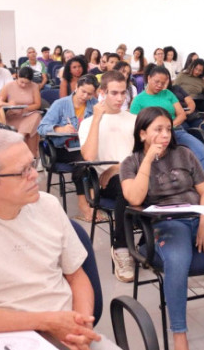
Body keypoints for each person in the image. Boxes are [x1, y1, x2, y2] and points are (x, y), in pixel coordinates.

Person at [0, 129, 119, 350]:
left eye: (32, 164)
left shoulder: (47, 205)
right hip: (3, 339)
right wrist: (45, 322)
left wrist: (81, 330)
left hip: (67, 334)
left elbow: (76, 277)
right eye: (22, 171)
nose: (34, 175)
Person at [119, 107, 204, 350]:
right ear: (142, 134)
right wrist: (147, 159)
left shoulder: (184, 154)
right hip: (166, 223)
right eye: (158, 130)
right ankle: (179, 333)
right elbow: (135, 198)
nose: (165, 135)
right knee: (177, 260)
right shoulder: (130, 163)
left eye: (168, 129)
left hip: (199, 216)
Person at [78, 70, 136, 282]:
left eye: (123, 93)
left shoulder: (134, 119)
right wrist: (96, 119)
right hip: (106, 182)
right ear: (102, 93)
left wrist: (118, 166)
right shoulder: (88, 123)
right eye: (114, 93)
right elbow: (88, 156)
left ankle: (146, 244)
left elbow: (143, 155)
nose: (120, 98)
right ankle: (121, 248)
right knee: (125, 186)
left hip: (133, 173)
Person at [39, 74, 100, 221]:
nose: (85, 96)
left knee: (93, 159)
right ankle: (84, 204)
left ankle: (93, 202)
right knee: (84, 161)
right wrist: (59, 129)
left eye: (89, 94)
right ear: (76, 87)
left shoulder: (94, 105)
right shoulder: (60, 104)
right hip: (61, 149)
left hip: (82, 147)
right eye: (83, 91)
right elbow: (41, 128)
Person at [129, 65, 204, 167]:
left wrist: (168, 128)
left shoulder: (168, 93)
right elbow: (135, 125)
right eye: (157, 82)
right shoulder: (138, 100)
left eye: (163, 83)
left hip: (176, 131)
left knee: (201, 151)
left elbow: (181, 115)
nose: (159, 85)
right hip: (154, 136)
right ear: (149, 78)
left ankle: (202, 176)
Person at [0, 66, 42, 157]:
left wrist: (26, 108)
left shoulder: (34, 86)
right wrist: (8, 104)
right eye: (22, 82)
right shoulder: (8, 86)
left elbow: (37, 104)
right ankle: (30, 154)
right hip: (13, 116)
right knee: (33, 130)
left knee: (37, 116)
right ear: (17, 76)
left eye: (27, 83)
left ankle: (20, 136)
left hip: (28, 115)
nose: (24, 85)